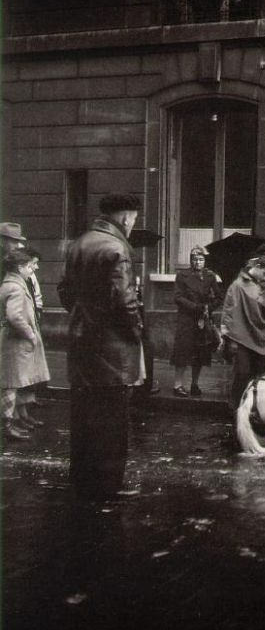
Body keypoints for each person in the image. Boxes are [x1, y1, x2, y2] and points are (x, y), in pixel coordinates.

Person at [58, 193, 143, 500]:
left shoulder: (79, 244)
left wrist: (84, 316)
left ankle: (82, 480)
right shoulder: (118, 248)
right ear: (124, 218)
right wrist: (135, 331)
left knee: (83, 415)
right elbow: (125, 301)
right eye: (133, 219)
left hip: (82, 343)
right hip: (111, 348)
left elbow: (64, 290)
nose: (133, 225)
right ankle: (109, 485)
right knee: (112, 420)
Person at [221, 257, 265, 408]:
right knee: (243, 374)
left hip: (263, 338)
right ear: (256, 267)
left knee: (263, 375)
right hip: (242, 338)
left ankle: (258, 408)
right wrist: (230, 339)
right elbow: (228, 312)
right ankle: (236, 407)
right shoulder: (238, 286)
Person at [0, 249, 50, 440]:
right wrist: (30, 334)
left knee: (14, 382)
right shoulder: (15, 287)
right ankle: (6, 426)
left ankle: (12, 422)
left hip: (13, 341)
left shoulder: (13, 283)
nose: (33, 269)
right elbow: (14, 316)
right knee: (10, 383)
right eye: (30, 266)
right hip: (15, 343)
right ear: (20, 268)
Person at [170, 245, 221, 397]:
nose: (198, 263)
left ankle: (194, 384)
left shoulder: (210, 276)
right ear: (190, 261)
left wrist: (208, 308)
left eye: (201, 259)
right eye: (194, 259)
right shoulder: (182, 275)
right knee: (182, 351)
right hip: (186, 319)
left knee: (200, 352)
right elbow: (178, 297)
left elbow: (219, 297)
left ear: (205, 261)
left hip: (203, 320)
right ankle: (178, 384)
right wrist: (196, 307)